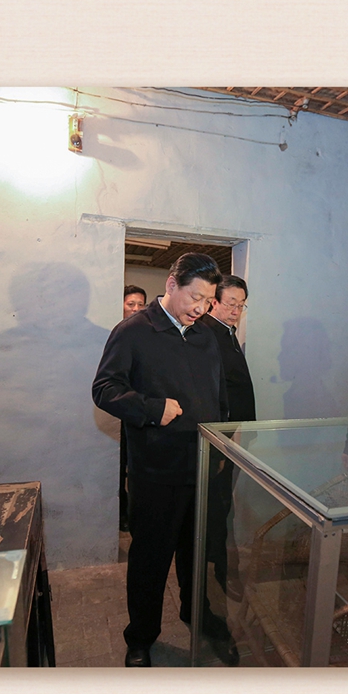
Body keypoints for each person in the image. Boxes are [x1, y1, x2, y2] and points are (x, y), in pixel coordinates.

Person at [91, 252, 237, 665]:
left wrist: (222, 439)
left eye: (208, 300)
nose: (200, 308)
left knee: (198, 553)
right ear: (172, 284)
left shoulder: (207, 334)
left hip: (203, 464)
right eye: (195, 297)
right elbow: (104, 389)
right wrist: (152, 409)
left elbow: (219, 393)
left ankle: (198, 615)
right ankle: (140, 637)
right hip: (156, 470)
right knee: (150, 560)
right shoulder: (134, 331)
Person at [197, 275, 255, 601]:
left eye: (241, 305)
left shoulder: (226, 333)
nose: (236, 310)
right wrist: (221, 445)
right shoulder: (208, 335)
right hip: (219, 440)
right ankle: (221, 569)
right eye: (230, 303)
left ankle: (218, 565)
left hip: (231, 437)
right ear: (214, 302)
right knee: (218, 508)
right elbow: (211, 394)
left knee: (222, 506)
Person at [118, 285, 147, 530]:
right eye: (131, 304)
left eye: (140, 304)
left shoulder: (146, 336)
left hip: (139, 409)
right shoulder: (119, 335)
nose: (136, 309)